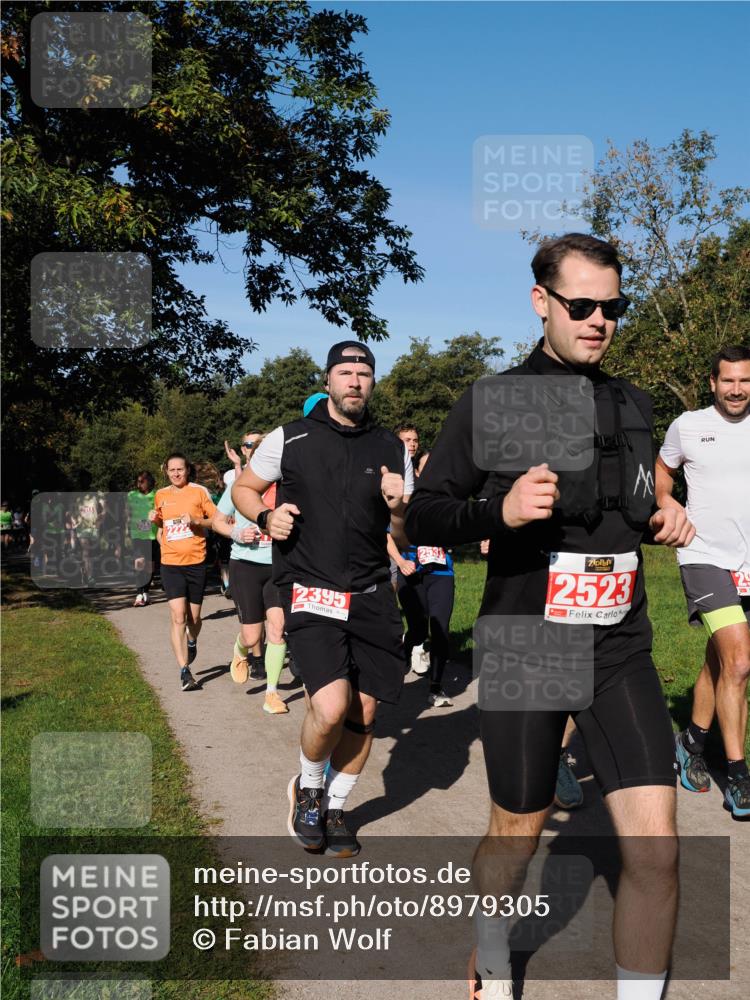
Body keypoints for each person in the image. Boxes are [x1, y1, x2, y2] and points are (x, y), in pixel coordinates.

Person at [405, 233, 694, 1000]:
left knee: (657, 851)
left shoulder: (633, 403)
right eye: (583, 305)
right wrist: (496, 510)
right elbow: (424, 516)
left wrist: (664, 512)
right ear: (542, 302)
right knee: (518, 831)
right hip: (530, 640)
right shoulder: (493, 400)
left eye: (614, 307)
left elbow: (636, 496)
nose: (600, 320)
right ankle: (492, 955)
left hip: (620, 644)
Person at [233, 341, 413, 858]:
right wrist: (266, 518)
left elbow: (401, 533)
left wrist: (398, 508)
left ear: (373, 382)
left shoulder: (390, 448)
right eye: (345, 372)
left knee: (366, 710)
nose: (355, 381)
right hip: (311, 589)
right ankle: (308, 788)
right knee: (331, 707)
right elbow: (247, 488)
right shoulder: (290, 438)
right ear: (328, 380)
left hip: (374, 594)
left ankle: (335, 805)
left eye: (364, 373)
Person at [656, 344, 750, 818]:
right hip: (704, 554)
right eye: (728, 380)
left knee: (720, 659)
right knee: (739, 662)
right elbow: (662, 469)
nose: (737, 389)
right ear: (712, 382)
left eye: (745, 380)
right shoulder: (687, 426)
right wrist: (667, 502)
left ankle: (691, 741)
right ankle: (738, 776)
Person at [212, 475, 289, 714]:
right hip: (246, 566)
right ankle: (240, 649)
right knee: (252, 636)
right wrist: (236, 533)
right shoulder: (239, 486)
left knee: (277, 628)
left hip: (278, 566)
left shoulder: (287, 487)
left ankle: (272, 694)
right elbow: (217, 522)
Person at [150, 453, 217, 691]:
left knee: (194, 619)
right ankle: (184, 671)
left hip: (196, 562)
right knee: (178, 616)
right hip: (170, 563)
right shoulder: (161, 495)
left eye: (180, 469)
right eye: (172, 470)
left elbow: (216, 520)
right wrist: (154, 519)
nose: (176, 473)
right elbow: (161, 523)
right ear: (166, 471)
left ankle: (192, 639)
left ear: (187, 470)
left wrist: (197, 520)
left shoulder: (199, 492)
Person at [388, 534, 455, 707]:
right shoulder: (401, 506)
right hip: (409, 571)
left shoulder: (443, 508)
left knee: (440, 628)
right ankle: (407, 646)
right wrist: (400, 562)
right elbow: (387, 534)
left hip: (442, 572)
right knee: (419, 631)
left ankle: (436, 687)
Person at [127, 471, 159, 607]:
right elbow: (127, 514)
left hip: (152, 535)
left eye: (142, 481)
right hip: (137, 534)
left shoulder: (157, 494)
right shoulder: (131, 495)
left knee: (149, 566)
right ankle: (139, 593)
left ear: (149, 482)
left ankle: (146, 592)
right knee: (139, 563)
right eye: (137, 481)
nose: (139, 484)